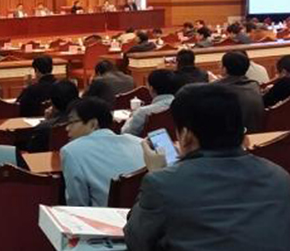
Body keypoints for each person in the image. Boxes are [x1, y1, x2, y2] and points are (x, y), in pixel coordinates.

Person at [124, 83, 290, 251]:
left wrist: (159, 172)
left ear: (186, 135)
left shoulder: (162, 183)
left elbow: (136, 241)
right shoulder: (279, 177)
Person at [61, 97, 144, 206]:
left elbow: (77, 205)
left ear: (93, 124)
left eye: (71, 122)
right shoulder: (140, 143)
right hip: (145, 212)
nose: (67, 128)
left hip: (105, 215)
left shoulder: (71, 151)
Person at [214, 51, 264, 132]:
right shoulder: (254, 85)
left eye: (221, 64)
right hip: (257, 132)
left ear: (225, 69)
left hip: (231, 135)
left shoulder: (216, 89)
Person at [27, 80, 79, 152]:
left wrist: (47, 121)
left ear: (52, 103)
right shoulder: (87, 122)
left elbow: (33, 151)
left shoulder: (44, 128)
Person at [121, 69, 178, 136]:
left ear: (151, 88)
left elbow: (126, 133)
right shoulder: (183, 106)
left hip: (148, 142)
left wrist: (131, 118)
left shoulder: (143, 112)